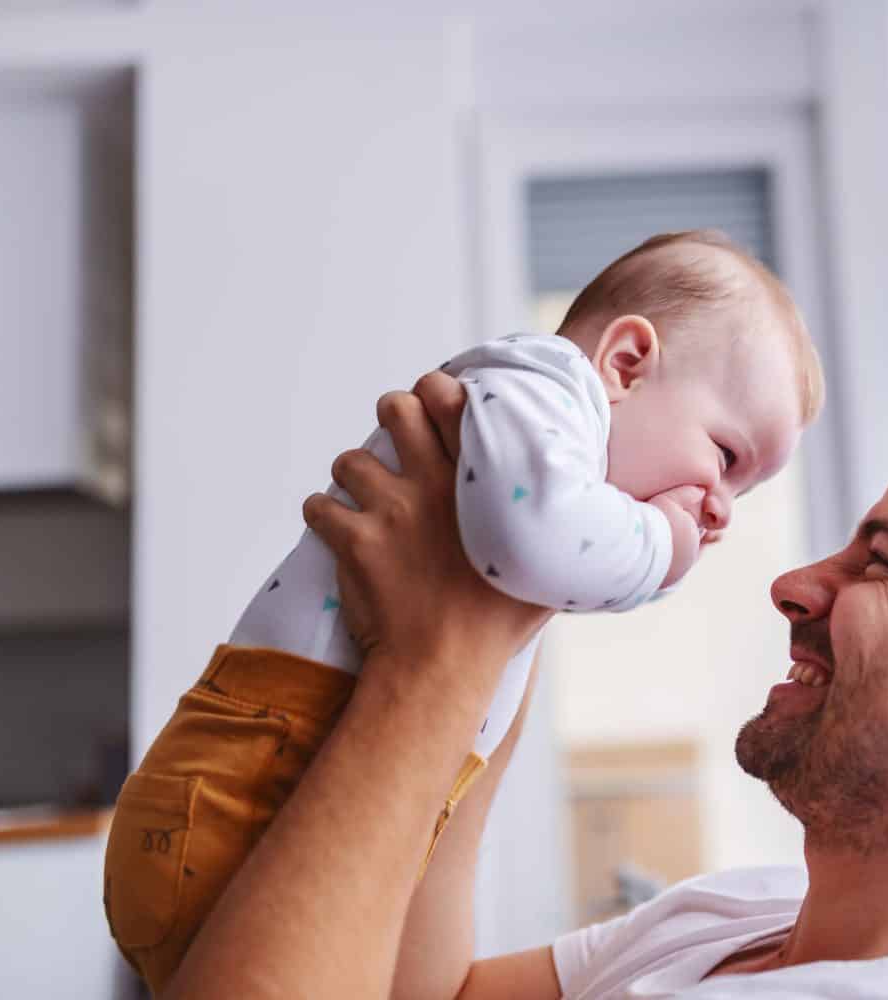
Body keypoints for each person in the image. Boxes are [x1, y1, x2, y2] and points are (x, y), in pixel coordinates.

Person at [161, 374, 888, 999]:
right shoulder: (743, 917)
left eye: (879, 563)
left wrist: (432, 664)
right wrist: (512, 590)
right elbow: (431, 994)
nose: (795, 583)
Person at [105, 230, 824, 993]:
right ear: (626, 364)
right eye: (726, 458)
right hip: (241, 790)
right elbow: (534, 534)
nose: (718, 512)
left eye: (741, 495)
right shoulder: (540, 388)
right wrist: (664, 545)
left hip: (281, 822)